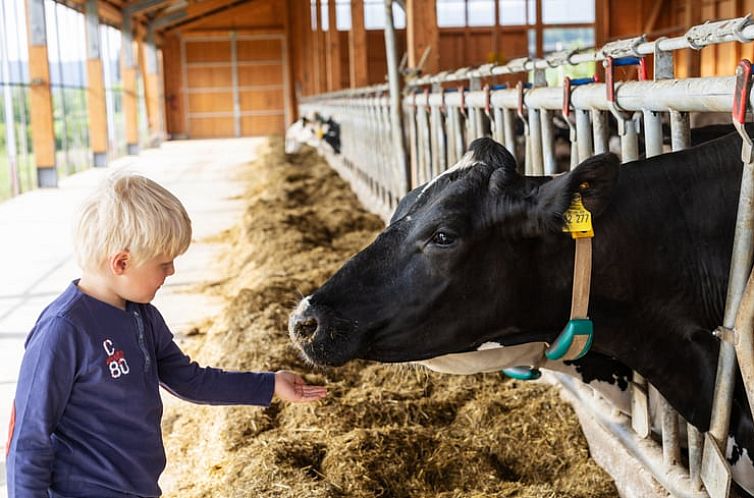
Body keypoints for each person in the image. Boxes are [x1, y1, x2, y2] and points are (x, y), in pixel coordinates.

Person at [5, 172, 327, 498]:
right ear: (121, 262)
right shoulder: (63, 331)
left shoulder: (142, 316)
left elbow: (189, 379)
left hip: (140, 488)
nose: (171, 271)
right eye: (163, 263)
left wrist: (270, 384)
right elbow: (27, 439)